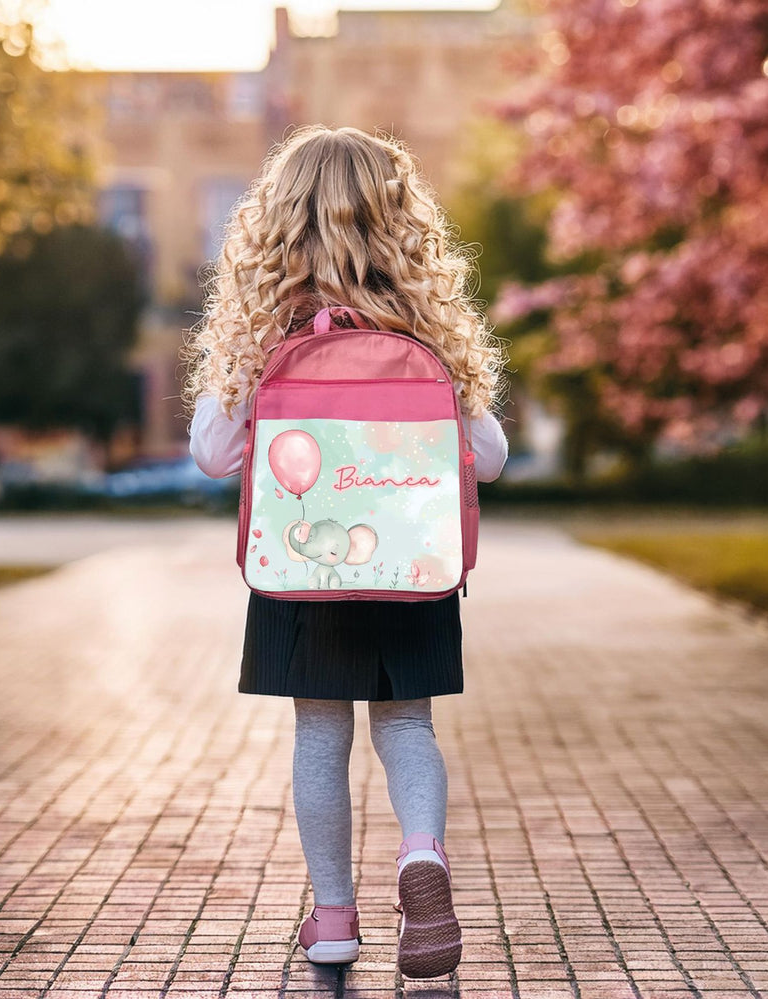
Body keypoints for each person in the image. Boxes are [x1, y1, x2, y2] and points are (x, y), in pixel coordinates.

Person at [181, 125, 508, 980]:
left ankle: (333, 919)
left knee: (319, 733)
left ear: (276, 228)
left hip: (302, 570)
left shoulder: (263, 340)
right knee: (408, 724)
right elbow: (494, 454)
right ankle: (420, 853)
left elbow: (213, 453)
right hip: (412, 566)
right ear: (403, 226)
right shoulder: (427, 336)